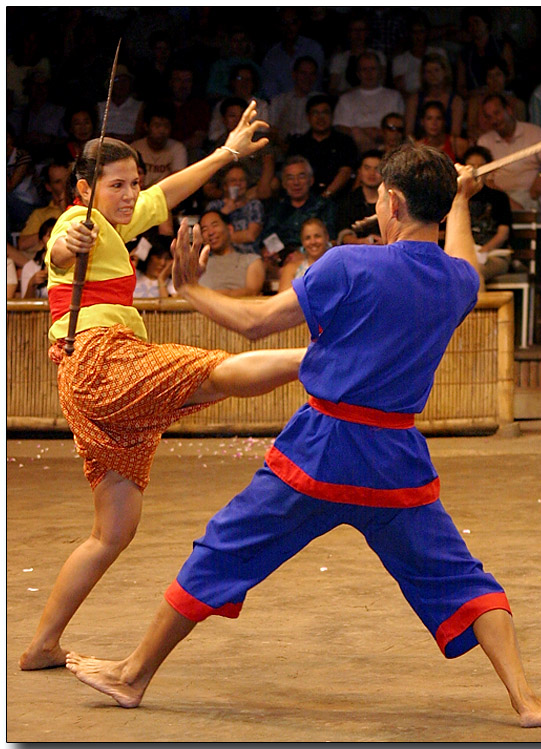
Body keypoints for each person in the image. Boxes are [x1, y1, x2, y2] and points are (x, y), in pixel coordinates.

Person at [64, 143, 541, 730]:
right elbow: (462, 256)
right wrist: (459, 202)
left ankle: (132, 676)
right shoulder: (458, 283)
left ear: (393, 202)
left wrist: (190, 289)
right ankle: (526, 699)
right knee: (457, 576)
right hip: (395, 461)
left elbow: (255, 322)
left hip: (321, 449)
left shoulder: (347, 264)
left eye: (382, 195)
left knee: (224, 550)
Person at [18, 102, 306, 672]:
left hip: (83, 383)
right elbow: (58, 246)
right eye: (116, 185)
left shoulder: (112, 222)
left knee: (113, 531)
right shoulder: (81, 224)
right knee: (209, 373)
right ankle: (326, 357)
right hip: (103, 362)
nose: (130, 195)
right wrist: (65, 242)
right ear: (84, 189)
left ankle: (42, 645)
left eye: (134, 184)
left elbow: (166, 194)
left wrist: (227, 152)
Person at [477, 94, 541, 212]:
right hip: (500, 198)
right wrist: (504, 199)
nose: (494, 120)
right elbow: (482, 177)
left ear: (509, 110)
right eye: (489, 117)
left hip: (530, 195)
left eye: (497, 113)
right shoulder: (484, 142)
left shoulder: (533, 132)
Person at [286, 94, 358, 200]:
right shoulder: (298, 144)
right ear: (308, 117)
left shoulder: (345, 141)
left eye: (325, 112)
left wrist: (324, 197)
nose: (320, 118)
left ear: (332, 116)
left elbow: (346, 172)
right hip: (304, 199)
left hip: (337, 198)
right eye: (315, 113)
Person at [205, 97, 276, 203]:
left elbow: (268, 164)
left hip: (256, 190)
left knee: (274, 183)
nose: (238, 120)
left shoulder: (260, 140)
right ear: (224, 120)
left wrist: (258, 189)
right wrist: (232, 195)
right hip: (229, 195)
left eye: (242, 116)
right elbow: (209, 187)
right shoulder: (218, 146)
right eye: (232, 116)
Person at [261, 155, 337, 255]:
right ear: (283, 184)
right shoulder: (277, 209)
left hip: (316, 257)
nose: (296, 182)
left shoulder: (324, 206)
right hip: (283, 260)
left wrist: (301, 254)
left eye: (301, 177)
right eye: (290, 178)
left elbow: (331, 239)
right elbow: (268, 237)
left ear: (311, 180)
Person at [333, 52, 405, 154]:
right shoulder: (346, 99)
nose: (369, 73)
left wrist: (381, 133)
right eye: (364, 69)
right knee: (356, 133)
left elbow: (400, 125)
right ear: (358, 73)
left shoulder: (394, 96)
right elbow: (339, 127)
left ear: (380, 71)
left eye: (373, 69)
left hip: (388, 143)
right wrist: (365, 132)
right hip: (356, 147)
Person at [461, 145, 513, 280]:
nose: (476, 171)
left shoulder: (498, 198)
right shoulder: (456, 197)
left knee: (474, 272)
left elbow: (503, 234)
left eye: (481, 166)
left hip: (494, 255)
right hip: (461, 256)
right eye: (471, 166)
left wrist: (482, 252)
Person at [197, 210, 265, 297]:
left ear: (230, 229)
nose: (210, 232)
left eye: (215, 225)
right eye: (204, 229)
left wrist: (208, 297)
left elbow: (252, 292)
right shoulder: (198, 266)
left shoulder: (251, 261)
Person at [261, 8, 324, 100]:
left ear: (299, 23)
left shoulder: (313, 48)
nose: (289, 28)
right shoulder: (272, 56)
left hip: (312, 102)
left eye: (293, 22)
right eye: (284, 23)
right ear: (279, 26)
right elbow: (270, 90)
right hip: (282, 107)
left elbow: (317, 81)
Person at [205, 164, 264, 255]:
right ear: (225, 186)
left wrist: (221, 239)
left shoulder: (254, 205)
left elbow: (250, 236)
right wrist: (225, 211)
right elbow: (208, 237)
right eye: (233, 181)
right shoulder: (214, 207)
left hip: (248, 257)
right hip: (219, 258)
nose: (238, 184)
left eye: (242, 180)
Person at [466, 57, 526, 143]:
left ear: (505, 77)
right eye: (490, 76)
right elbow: (471, 130)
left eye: (498, 75)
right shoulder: (476, 102)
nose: (494, 80)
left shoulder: (517, 104)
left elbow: (521, 131)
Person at [268, 56, 322, 154]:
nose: (307, 78)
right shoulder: (279, 101)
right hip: (284, 150)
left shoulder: (321, 101)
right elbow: (272, 131)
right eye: (303, 73)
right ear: (294, 75)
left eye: (312, 74)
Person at [405, 53, 465, 139]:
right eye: (428, 72)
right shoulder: (414, 100)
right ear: (424, 75)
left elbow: (455, 134)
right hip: (419, 148)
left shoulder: (456, 101)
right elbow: (409, 133)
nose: (432, 75)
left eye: (436, 70)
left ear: (445, 72)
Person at [328, 14, 386, 97]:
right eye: (354, 30)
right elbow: (332, 89)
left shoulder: (379, 56)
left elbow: (381, 84)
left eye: (361, 30)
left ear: (367, 33)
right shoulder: (339, 59)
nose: (358, 34)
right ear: (349, 33)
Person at [131, 102, 187, 189]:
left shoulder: (178, 148)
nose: (162, 130)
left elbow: (177, 181)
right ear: (146, 127)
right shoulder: (135, 148)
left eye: (166, 126)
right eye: (157, 126)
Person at [18, 161, 70, 253]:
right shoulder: (39, 214)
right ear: (48, 187)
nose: (64, 185)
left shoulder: (81, 207)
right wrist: (50, 231)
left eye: (67, 180)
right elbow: (22, 244)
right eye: (58, 181)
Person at [335, 150, 383, 245]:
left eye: (377, 169)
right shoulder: (348, 201)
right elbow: (344, 234)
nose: (372, 173)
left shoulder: (393, 201)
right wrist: (362, 242)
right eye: (367, 168)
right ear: (359, 172)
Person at [277, 217, 331, 292]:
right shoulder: (290, 269)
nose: (313, 242)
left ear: (326, 238)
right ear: (302, 241)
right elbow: (282, 300)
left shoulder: (339, 267)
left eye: (317, 236)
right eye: (307, 238)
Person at [21, 218, 56, 299]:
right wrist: (31, 284)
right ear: (41, 241)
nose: (53, 239)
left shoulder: (71, 264)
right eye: (49, 235)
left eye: (56, 234)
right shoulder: (29, 267)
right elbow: (24, 306)